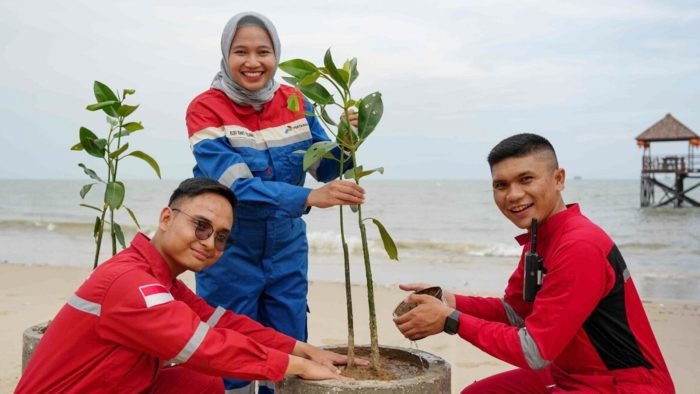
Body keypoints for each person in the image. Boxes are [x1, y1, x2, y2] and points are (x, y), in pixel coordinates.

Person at [16, 177, 362, 394]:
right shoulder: (131, 282)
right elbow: (202, 346)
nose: (210, 242)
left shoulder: (159, 279)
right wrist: (297, 367)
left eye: (222, 237)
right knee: (201, 368)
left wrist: (300, 348)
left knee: (198, 383)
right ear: (166, 218)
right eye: (201, 226)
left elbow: (221, 323)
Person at [393, 133, 675, 393]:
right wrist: (449, 301)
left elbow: (534, 351)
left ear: (558, 179)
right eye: (501, 185)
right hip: (570, 373)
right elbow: (515, 312)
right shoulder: (540, 237)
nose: (513, 195)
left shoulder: (579, 245)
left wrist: (450, 320)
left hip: (621, 385)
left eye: (526, 179)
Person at [185, 11, 364, 394]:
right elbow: (236, 187)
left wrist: (348, 137)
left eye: (263, 51)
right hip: (230, 249)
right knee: (228, 350)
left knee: (289, 346)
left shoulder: (297, 101)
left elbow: (326, 168)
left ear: (276, 55)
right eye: (241, 51)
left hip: (287, 248)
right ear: (225, 54)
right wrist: (308, 197)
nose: (253, 62)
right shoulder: (205, 109)